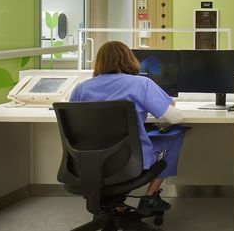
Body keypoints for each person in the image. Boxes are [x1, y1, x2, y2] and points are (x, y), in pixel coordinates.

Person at [70, 41, 185, 215]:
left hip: (89, 165)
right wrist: (167, 102)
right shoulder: (141, 84)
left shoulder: (81, 88)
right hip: (130, 162)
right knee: (175, 133)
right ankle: (150, 197)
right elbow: (175, 118)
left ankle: (114, 203)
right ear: (129, 59)